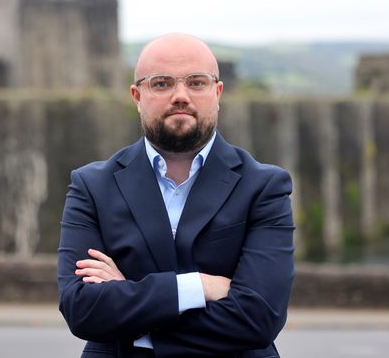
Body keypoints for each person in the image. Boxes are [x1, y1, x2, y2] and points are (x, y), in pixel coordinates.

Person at [57, 33, 295, 358]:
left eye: (196, 83)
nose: (180, 96)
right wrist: (199, 286)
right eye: (161, 84)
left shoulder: (264, 187)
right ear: (137, 95)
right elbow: (82, 309)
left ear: (217, 92)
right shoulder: (91, 186)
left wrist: (130, 302)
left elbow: (258, 318)